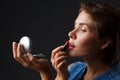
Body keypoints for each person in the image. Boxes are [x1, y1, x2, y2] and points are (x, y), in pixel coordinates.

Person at [12, 2, 120, 80]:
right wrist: (44, 71)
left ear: (104, 42)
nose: (70, 34)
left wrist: (61, 77)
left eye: (83, 30)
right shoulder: (73, 69)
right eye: (75, 26)